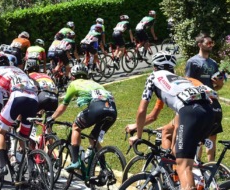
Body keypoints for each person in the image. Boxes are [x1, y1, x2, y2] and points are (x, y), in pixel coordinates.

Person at [129, 51, 215, 189]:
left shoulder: (153, 77)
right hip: (208, 113)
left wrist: (138, 136)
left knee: (182, 165)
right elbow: (180, 115)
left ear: (155, 67)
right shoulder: (181, 80)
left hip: (190, 113)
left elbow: (141, 111)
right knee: (179, 154)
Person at [47, 64, 117, 172]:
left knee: (76, 126)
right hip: (112, 110)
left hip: (98, 107)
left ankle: (75, 161)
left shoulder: (74, 84)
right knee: (93, 138)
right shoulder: (95, 83)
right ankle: (104, 170)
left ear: (73, 76)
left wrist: (52, 117)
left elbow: (63, 105)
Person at [0, 53, 38, 179]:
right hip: (34, 98)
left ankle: (2, 166)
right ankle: (30, 167)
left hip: (17, 97)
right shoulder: (18, 70)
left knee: (0, 132)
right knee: (24, 137)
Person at [185, 32, 224, 162]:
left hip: (213, 102)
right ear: (200, 44)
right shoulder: (193, 62)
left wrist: (219, 84)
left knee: (212, 136)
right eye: (208, 43)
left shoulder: (213, 63)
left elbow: (217, 87)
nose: (211, 45)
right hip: (199, 102)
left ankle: (211, 165)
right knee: (199, 135)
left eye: (212, 43)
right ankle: (197, 163)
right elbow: (187, 81)